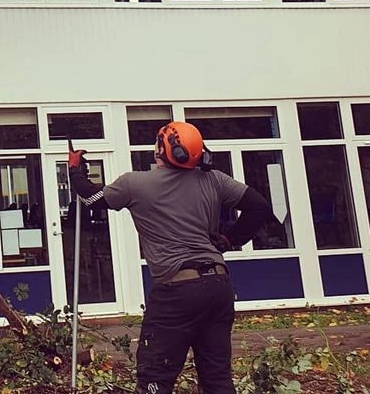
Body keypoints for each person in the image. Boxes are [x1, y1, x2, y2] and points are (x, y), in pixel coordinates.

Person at [68, 121, 274, 394]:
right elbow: (259, 208)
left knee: (155, 377)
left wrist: (75, 170)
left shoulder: (135, 184)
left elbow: (92, 198)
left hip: (178, 292)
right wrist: (229, 240)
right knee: (217, 379)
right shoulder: (214, 179)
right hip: (218, 286)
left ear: (160, 150)